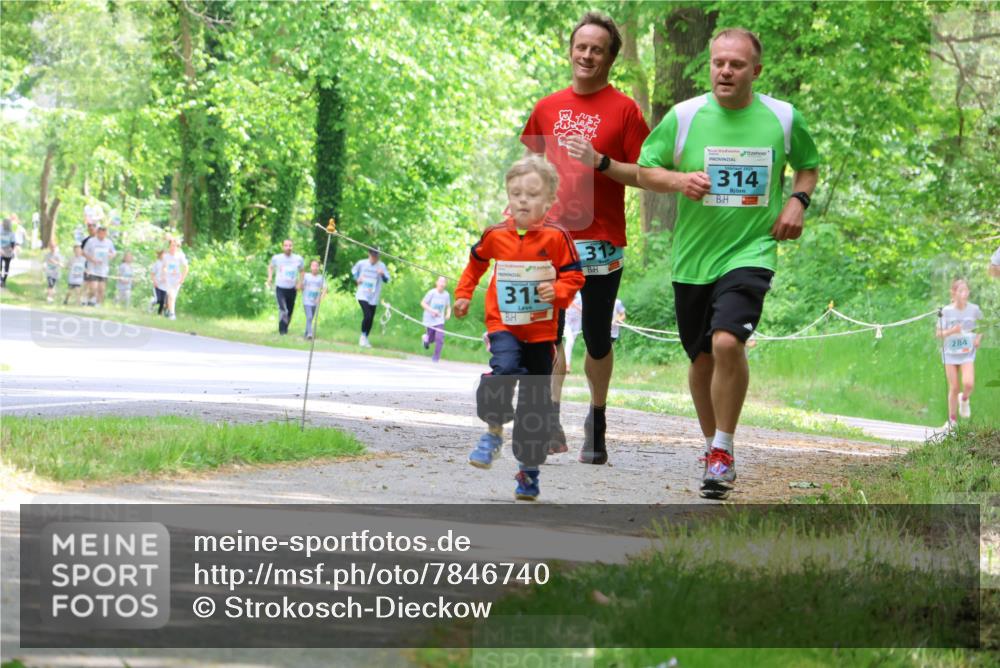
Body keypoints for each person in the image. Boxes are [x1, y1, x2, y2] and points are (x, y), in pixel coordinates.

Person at [636, 27, 820, 499]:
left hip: (752, 250)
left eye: (736, 65)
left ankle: (724, 448)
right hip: (694, 258)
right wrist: (679, 181)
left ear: (755, 71)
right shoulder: (684, 116)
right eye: (718, 62)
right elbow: (645, 169)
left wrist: (797, 200)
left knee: (726, 341)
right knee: (700, 357)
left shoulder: (783, 117)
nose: (725, 71)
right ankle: (710, 447)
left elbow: (808, 164)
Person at [521, 11, 651, 464]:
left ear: (611, 58)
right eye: (581, 47)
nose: (587, 55)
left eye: (597, 49)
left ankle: (596, 419)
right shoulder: (547, 107)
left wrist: (601, 162)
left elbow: (646, 173)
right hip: (551, 238)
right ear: (571, 51)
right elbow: (531, 169)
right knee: (548, 330)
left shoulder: (625, 110)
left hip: (601, 239)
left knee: (597, 336)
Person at [454, 156, 585, 501]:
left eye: (532, 194)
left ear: (549, 200)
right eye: (516, 193)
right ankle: (493, 431)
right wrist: (463, 294)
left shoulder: (558, 237)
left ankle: (528, 471)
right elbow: (475, 263)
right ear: (508, 196)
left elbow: (574, 276)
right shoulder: (496, 234)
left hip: (541, 332)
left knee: (535, 403)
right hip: (504, 324)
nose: (523, 200)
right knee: (504, 369)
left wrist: (558, 291)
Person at [936, 279, 983, 428]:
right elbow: (938, 333)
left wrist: (978, 338)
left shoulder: (974, 309)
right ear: (953, 293)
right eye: (961, 291)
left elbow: (983, 326)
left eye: (966, 290)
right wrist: (952, 331)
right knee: (954, 387)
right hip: (950, 353)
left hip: (967, 353)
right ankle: (952, 420)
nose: (964, 294)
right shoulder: (946, 311)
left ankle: (964, 399)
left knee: (968, 383)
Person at [351, 248, 390, 348]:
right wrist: (357, 279)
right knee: (367, 315)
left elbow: (387, 280)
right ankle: (362, 337)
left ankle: (365, 337)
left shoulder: (381, 266)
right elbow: (353, 272)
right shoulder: (362, 263)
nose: (374, 258)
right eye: (373, 256)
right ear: (369, 254)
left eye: (376, 256)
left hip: (374, 296)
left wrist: (382, 274)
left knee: (371, 318)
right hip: (362, 294)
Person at [266, 239, 305, 335]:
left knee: (290, 311)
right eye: (286, 246)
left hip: (292, 288)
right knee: (283, 309)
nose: (288, 248)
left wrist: (300, 283)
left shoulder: (298, 259)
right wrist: (269, 277)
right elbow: (270, 267)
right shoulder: (277, 258)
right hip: (280, 288)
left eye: (290, 245)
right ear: (283, 247)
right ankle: (282, 331)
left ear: (293, 247)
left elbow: (302, 271)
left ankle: (285, 327)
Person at [420, 276, 452, 363]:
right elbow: (423, 303)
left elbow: (448, 306)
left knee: (439, 338)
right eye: (440, 281)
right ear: (436, 283)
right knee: (431, 339)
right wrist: (432, 311)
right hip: (429, 319)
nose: (442, 284)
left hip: (439, 320)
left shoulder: (446, 295)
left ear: (445, 284)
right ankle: (426, 339)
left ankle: (436, 358)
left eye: (444, 282)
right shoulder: (432, 293)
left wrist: (448, 314)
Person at [83, 226, 116, 306]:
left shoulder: (109, 242)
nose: (102, 235)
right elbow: (84, 252)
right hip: (92, 268)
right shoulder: (91, 241)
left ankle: (98, 304)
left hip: (103, 269)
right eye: (101, 233)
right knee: (93, 287)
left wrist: (111, 256)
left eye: (104, 234)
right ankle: (89, 299)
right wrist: (92, 259)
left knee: (101, 289)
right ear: (97, 233)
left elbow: (114, 252)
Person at [159, 238, 189, 320]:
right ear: (169, 246)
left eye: (175, 246)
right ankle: (172, 314)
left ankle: (167, 309)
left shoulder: (180, 256)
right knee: (171, 295)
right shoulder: (166, 256)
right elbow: (163, 267)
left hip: (177, 280)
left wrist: (182, 278)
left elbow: (186, 267)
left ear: (178, 247)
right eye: (172, 245)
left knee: (172, 296)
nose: (173, 247)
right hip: (168, 279)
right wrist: (164, 274)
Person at [301, 259, 327, 340]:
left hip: (315, 302)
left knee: (310, 318)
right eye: (313, 266)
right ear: (310, 267)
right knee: (309, 317)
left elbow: (325, 288)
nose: (315, 268)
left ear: (319, 267)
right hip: (307, 301)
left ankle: (306, 334)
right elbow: (301, 286)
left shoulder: (321, 278)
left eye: (316, 266)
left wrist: (320, 298)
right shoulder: (306, 276)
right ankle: (310, 333)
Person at [0, 217, 24, 288]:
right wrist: (12, 249)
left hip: (3, 251)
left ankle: (2, 280)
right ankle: (3, 280)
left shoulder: (3, 232)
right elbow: (13, 243)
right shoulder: (11, 233)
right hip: (7, 251)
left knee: (2, 266)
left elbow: (13, 243)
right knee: (6, 267)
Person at [149, 250, 166, 315]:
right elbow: (152, 274)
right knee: (158, 300)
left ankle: (159, 314)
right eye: (163, 254)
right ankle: (152, 303)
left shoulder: (168, 263)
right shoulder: (157, 263)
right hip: (157, 285)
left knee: (163, 301)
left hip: (165, 286)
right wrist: (154, 281)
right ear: (160, 255)